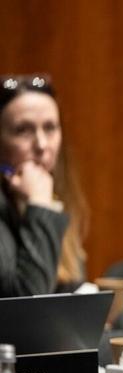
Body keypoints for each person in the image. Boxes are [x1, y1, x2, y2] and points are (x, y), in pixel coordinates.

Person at [0, 75, 88, 297]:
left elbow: (68, 283)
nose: (41, 144)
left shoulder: (56, 193)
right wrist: (39, 206)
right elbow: (26, 303)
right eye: (23, 130)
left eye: (50, 128)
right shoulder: (40, 198)